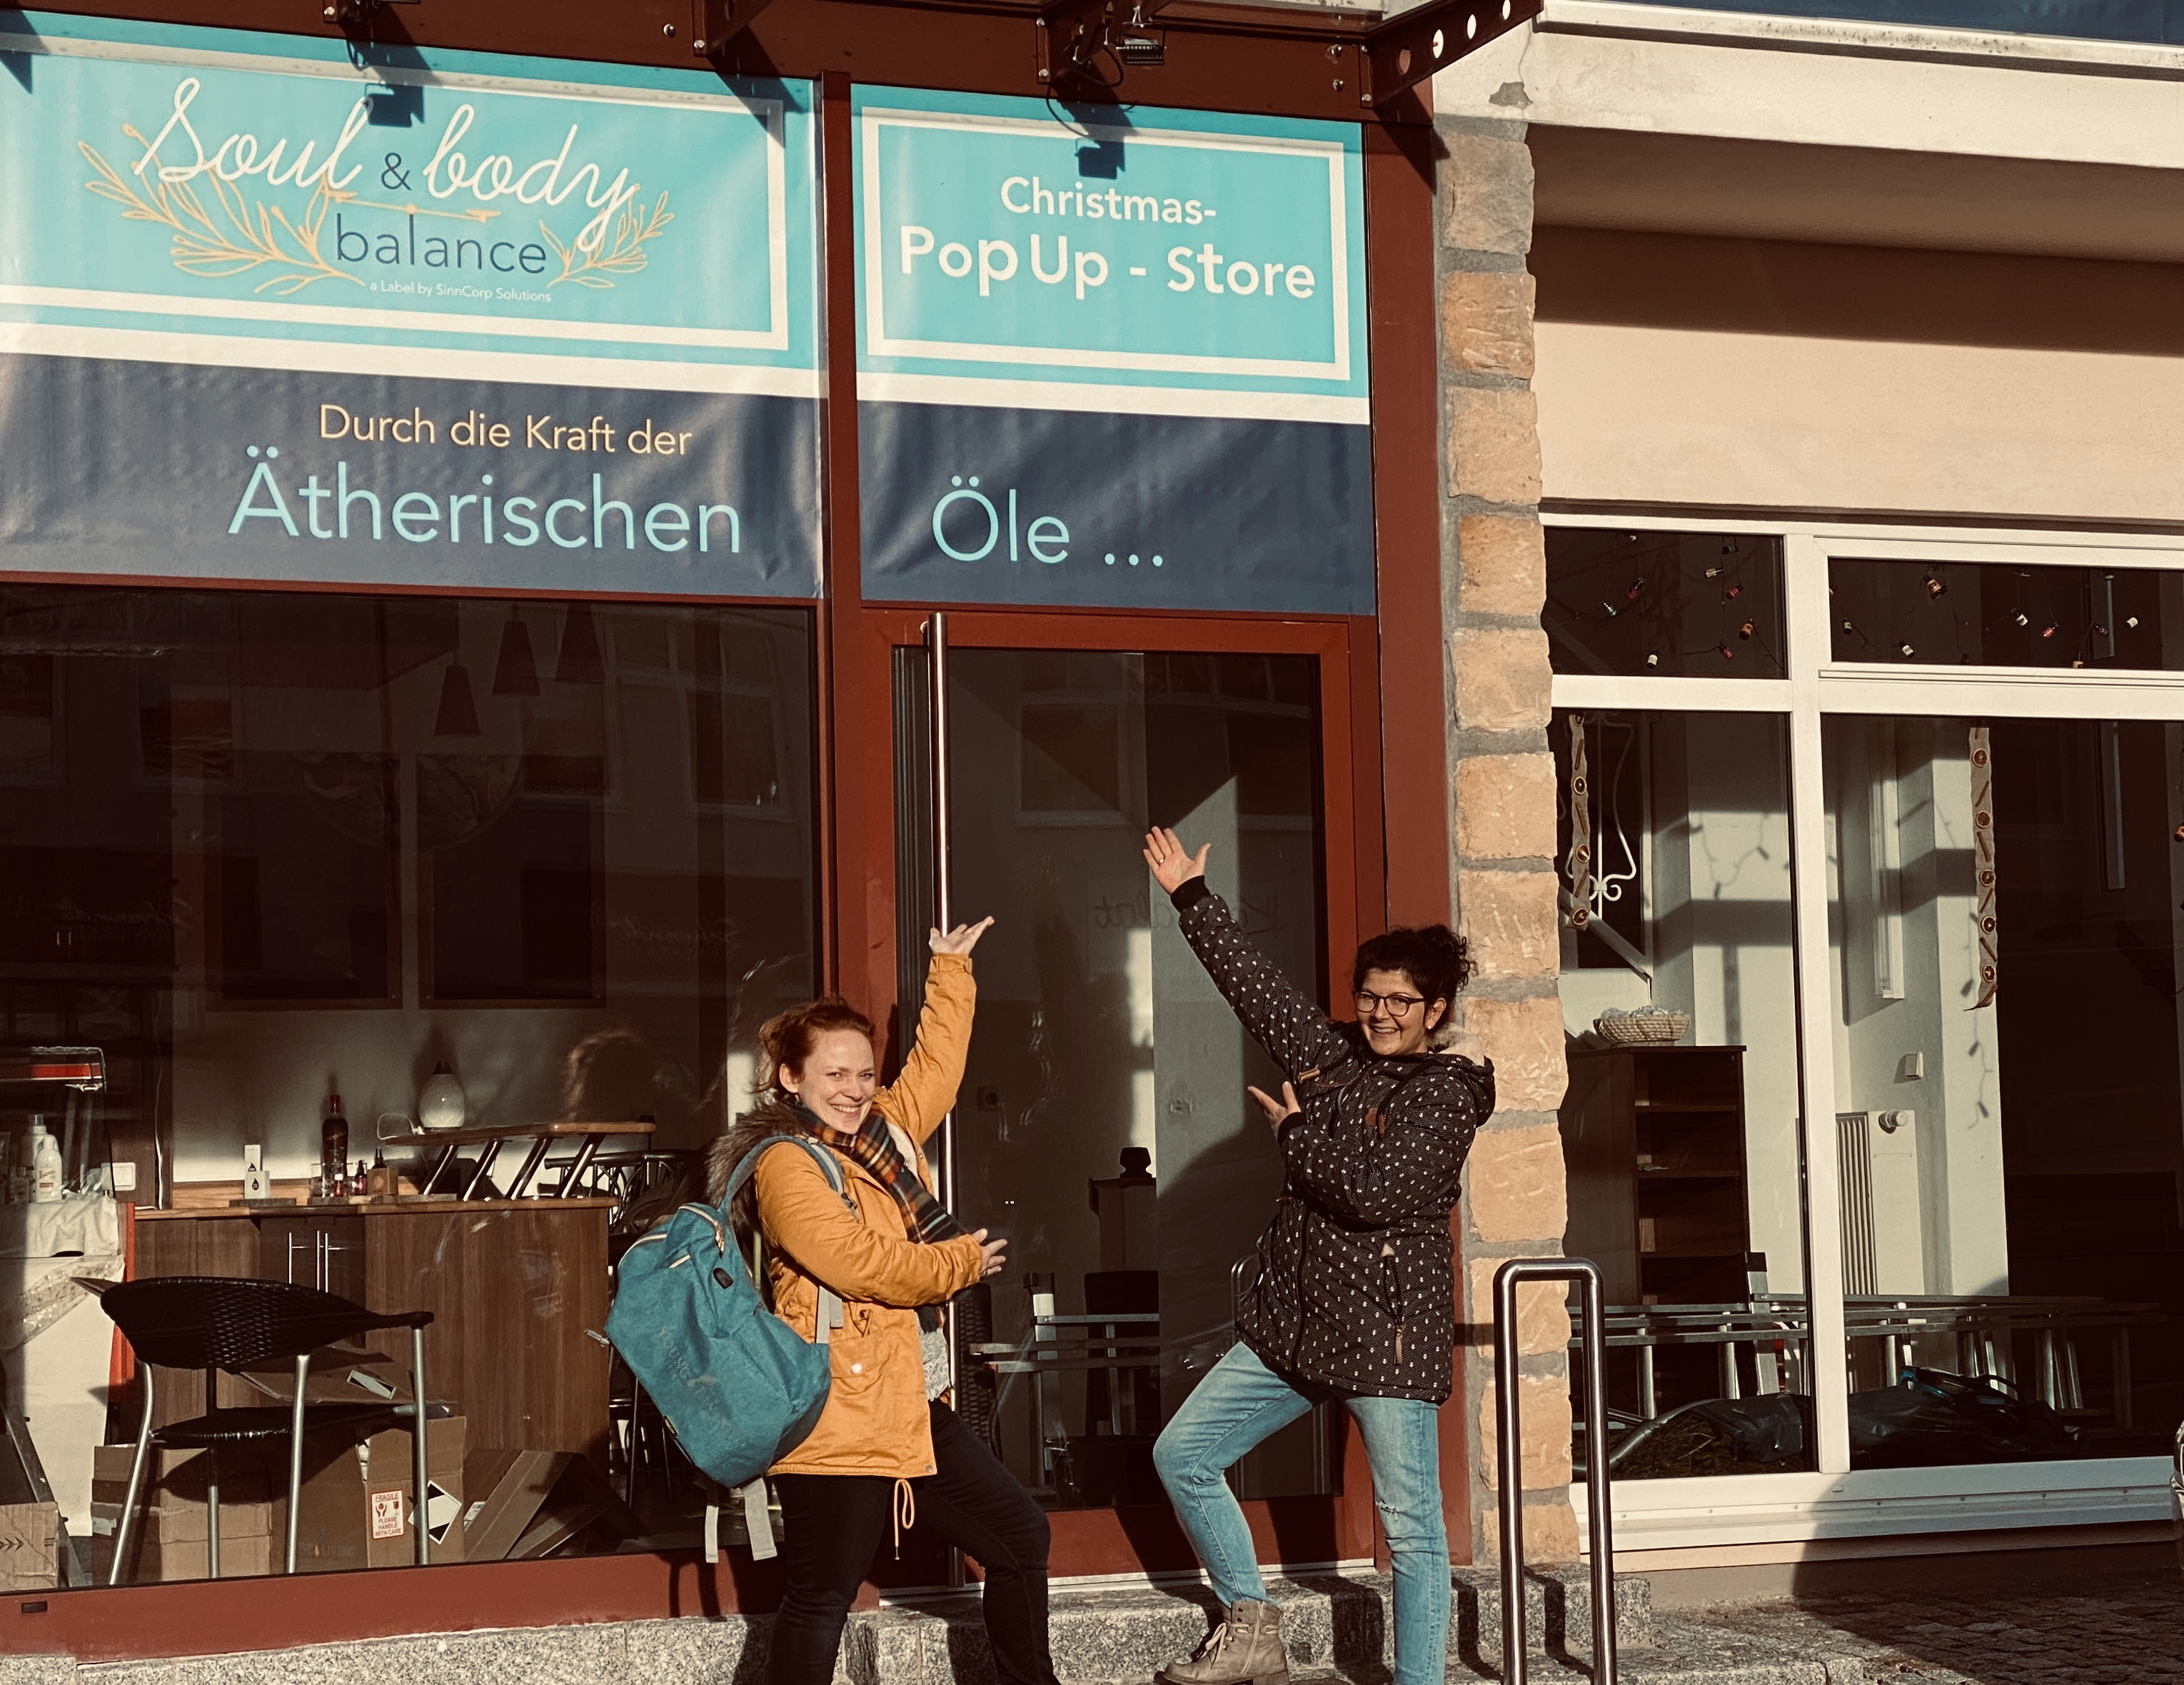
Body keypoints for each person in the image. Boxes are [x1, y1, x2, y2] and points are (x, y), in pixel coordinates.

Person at [1141, 828, 1494, 1685]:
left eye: (1401, 1001)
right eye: (1370, 995)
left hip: (1384, 1334)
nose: (1380, 1012)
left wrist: (1294, 1133)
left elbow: (1378, 1192)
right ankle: (1251, 1621)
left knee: (1409, 1529)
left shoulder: (1446, 1094)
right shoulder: (1333, 1058)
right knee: (1182, 1452)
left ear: (1435, 1010)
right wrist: (1191, 898)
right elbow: (1257, 993)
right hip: (1296, 1320)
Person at [705, 917, 1061, 1685]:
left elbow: (935, 1070)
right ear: (788, 1080)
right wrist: (955, 1260)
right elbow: (858, 1262)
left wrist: (949, 973)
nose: (853, 1089)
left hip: (903, 1399)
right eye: (832, 1074)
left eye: (864, 1072)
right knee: (820, 1597)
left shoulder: (883, 1135)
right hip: (833, 1409)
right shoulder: (785, 1165)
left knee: (1017, 1533)